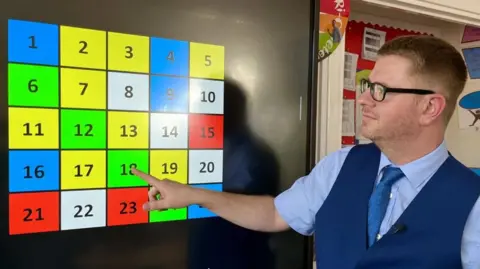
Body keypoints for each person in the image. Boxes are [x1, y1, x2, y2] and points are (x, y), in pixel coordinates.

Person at [131, 35, 480, 269]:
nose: (363, 100)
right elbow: (273, 214)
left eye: (380, 90)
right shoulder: (341, 165)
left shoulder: (473, 202)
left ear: (430, 108)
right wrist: (191, 195)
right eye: (366, 86)